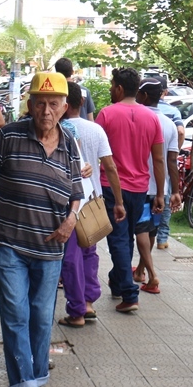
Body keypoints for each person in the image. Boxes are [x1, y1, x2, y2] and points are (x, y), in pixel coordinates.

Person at [0, 72, 84, 387]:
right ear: (29, 104)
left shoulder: (69, 145)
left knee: (40, 316)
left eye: (53, 104)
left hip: (51, 247)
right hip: (10, 242)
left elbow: (76, 193)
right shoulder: (10, 136)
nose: (46, 111)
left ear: (64, 107)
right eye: (39, 103)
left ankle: (34, 382)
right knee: (16, 313)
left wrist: (72, 219)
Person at [96, 67, 165, 313]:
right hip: (140, 188)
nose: (111, 89)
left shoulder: (106, 115)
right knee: (125, 237)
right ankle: (118, 280)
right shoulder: (151, 118)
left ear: (120, 88)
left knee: (118, 239)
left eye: (112, 85)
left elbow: (96, 154)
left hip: (111, 187)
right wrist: (159, 193)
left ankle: (129, 291)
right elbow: (158, 159)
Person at [57, 82, 125, 328]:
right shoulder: (96, 130)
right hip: (92, 200)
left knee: (71, 256)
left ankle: (76, 312)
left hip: (67, 202)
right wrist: (117, 201)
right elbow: (110, 166)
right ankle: (88, 303)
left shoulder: (57, 129)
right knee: (89, 251)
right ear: (82, 103)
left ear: (63, 104)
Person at [131, 78, 181, 294]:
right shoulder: (169, 123)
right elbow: (171, 161)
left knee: (141, 229)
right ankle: (141, 270)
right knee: (151, 229)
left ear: (142, 96)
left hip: (141, 184)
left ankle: (152, 275)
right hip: (161, 187)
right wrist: (175, 190)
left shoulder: (139, 119)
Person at [151, 74, 186, 250]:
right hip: (165, 163)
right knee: (164, 196)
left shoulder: (141, 112)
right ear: (164, 92)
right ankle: (162, 238)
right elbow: (180, 132)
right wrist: (175, 148)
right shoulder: (172, 112)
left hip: (143, 169)